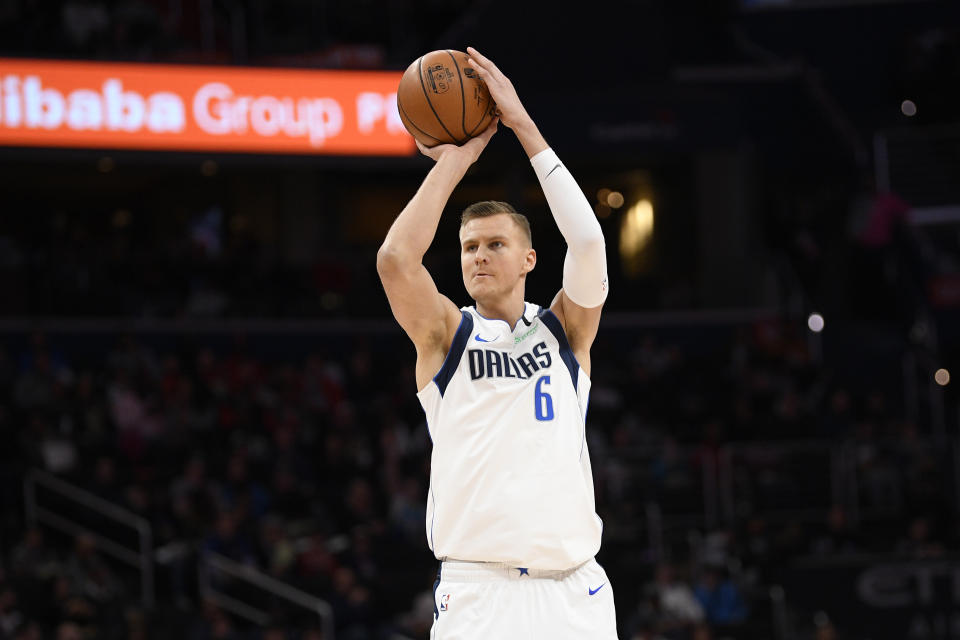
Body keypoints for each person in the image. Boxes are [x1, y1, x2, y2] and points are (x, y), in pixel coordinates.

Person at [377, 47, 616, 638]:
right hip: (481, 595)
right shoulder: (445, 335)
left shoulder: (566, 329)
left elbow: (587, 246)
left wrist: (522, 126)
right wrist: (457, 160)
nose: (479, 255)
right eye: (468, 247)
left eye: (494, 244)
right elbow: (395, 260)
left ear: (530, 258)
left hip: (575, 592)